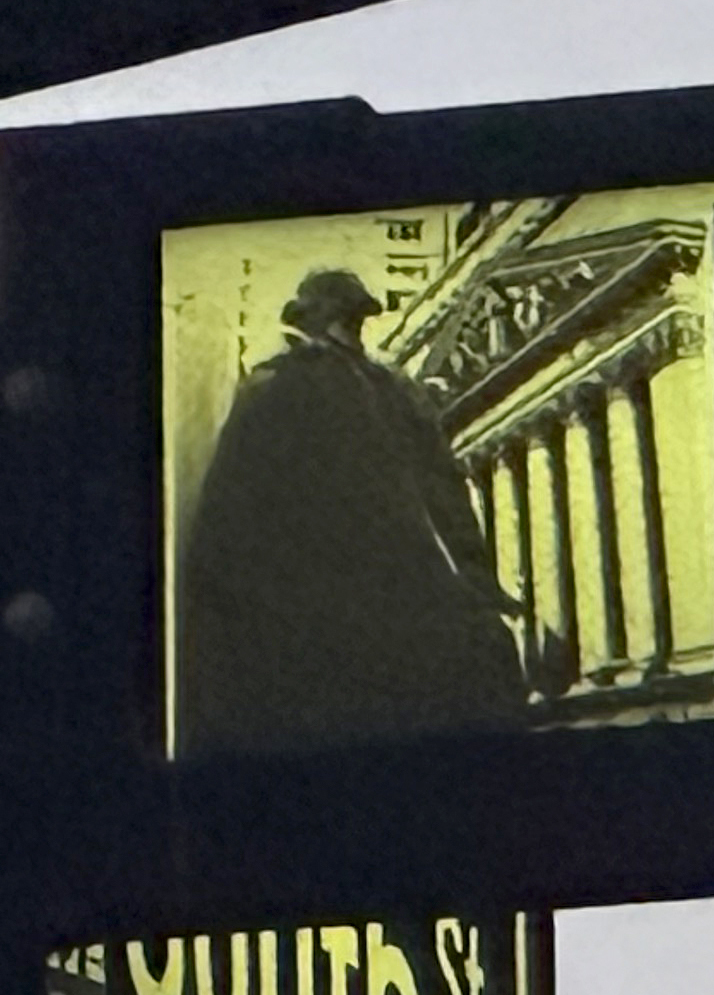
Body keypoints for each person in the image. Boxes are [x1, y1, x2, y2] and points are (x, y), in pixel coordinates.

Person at [176, 268, 528, 756]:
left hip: (353, 606)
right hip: (371, 598)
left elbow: (234, 513)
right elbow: (447, 497)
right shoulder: (371, 387)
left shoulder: (296, 385)